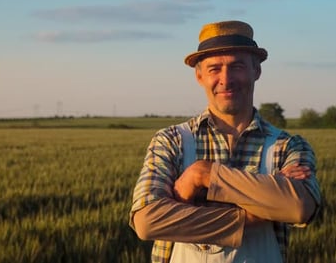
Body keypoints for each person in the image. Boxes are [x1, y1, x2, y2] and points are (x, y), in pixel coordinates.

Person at [129, 20, 322, 263]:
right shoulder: (171, 141)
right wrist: (252, 216)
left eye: (237, 66)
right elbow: (147, 221)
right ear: (199, 76)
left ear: (257, 71)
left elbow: (298, 208)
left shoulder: (289, 146)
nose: (226, 79)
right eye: (214, 69)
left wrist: (204, 174)